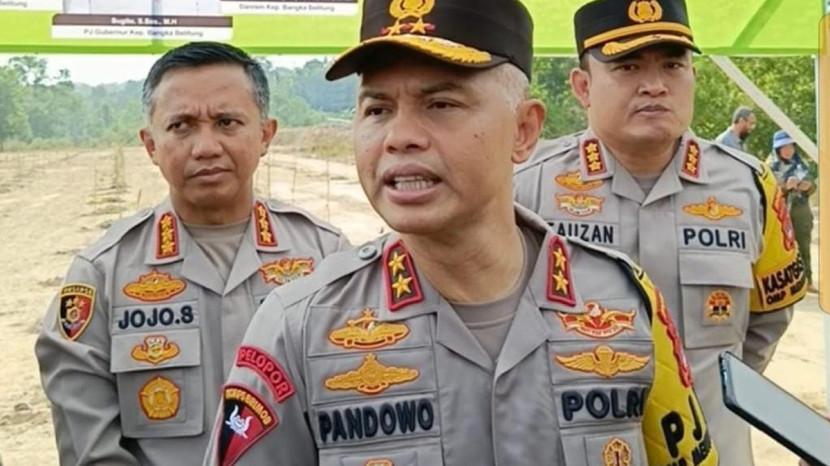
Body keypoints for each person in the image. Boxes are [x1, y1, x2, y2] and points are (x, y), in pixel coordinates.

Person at [203, 1, 718, 465]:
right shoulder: (297, 328)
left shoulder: (625, 302)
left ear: (523, 130)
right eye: (378, 109)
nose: (400, 137)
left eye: (441, 104)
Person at [513, 0, 806, 464]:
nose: (654, 85)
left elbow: (768, 321)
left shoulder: (749, 187)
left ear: (693, 76)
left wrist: (710, 397)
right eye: (628, 66)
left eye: (672, 65)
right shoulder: (525, 188)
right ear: (583, 86)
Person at [35, 41, 349, 465]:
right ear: (150, 145)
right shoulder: (102, 276)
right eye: (181, 126)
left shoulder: (327, 258)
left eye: (226, 122)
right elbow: (91, 448)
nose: (206, 146)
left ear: (265, 134)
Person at [768, 130, 817, 293]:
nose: (788, 150)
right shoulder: (769, 167)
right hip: (780, 214)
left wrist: (807, 187)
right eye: (784, 147)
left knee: (804, 247)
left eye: (791, 146)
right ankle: (786, 285)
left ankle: (807, 281)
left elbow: (812, 185)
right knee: (781, 249)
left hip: (801, 212)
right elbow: (768, 191)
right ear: (777, 149)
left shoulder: (801, 165)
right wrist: (784, 187)